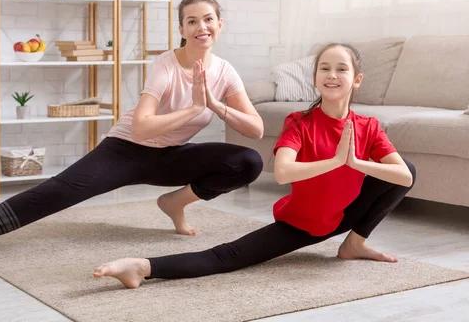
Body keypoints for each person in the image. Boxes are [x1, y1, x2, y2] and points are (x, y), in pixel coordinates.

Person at [0, 0, 264, 273]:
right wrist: (194, 108)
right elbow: (141, 125)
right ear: (181, 29)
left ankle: (174, 202)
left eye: (208, 19)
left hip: (170, 156)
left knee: (246, 161)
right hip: (126, 150)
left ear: (220, 24)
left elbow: (255, 128)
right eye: (191, 21)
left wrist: (216, 105)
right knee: (55, 192)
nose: (201, 27)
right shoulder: (166, 65)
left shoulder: (225, 72)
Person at [93, 43, 417, 288]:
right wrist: (335, 161)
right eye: (325, 69)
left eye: (341, 69)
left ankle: (355, 243)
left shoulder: (368, 126)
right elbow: (283, 172)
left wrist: (357, 162)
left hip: (347, 214)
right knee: (227, 256)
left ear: (356, 79)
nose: (332, 75)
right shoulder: (300, 123)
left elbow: (402, 177)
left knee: (409, 168)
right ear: (316, 78)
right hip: (302, 224)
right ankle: (141, 266)